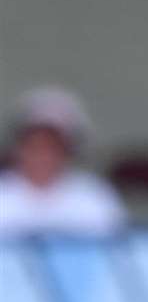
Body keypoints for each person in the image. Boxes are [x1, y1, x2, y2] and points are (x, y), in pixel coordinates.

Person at [0, 86, 126, 236]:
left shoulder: (93, 196)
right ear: (19, 147)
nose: (42, 155)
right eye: (34, 145)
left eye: (52, 147)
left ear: (69, 151)